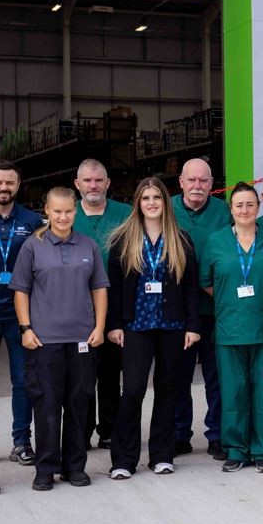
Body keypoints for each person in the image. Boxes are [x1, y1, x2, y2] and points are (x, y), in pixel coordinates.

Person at [10, 187, 109, 490]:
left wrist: (99, 327)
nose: (63, 217)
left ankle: (74, 466)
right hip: (44, 341)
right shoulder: (32, 246)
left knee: (79, 404)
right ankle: (46, 468)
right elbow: (21, 290)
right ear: (47, 211)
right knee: (47, 405)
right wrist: (26, 329)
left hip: (81, 338)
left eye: (68, 211)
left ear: (75, 212)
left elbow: (99, 288)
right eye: (57, 211)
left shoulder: (88, 246)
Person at [105, 178, 202, 479]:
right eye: (145, 197)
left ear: (165, 203)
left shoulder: (181, 239)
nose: (151, 203)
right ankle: (123, 459)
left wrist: (193, 325)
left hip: (172, 325)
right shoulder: (123, 239)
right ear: (138, 202)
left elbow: (190, 287)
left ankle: (162, 454)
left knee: (168, 390)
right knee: (132, 390)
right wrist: (113, 325)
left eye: (156, 198)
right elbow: (115, 287)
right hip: (135, 325)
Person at [201, 182, 263, 472]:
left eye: (250, 204)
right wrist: (231, 299)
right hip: (229, 329)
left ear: (258, 207)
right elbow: (207, 282)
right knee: (233, 391)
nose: (245, 210)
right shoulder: (216, 240)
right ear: (231, 210)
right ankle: (236, 449)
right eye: (239, 205)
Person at [0, 160, 44, 466]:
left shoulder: (33, 221)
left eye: (10, 182)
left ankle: (21, 442)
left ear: (18, 185)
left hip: (22, 316)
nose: (4, 187)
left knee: (23, 380)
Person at [171, 157, 231, 460]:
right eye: (191, 180)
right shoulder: (166, 208)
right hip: (176, 313)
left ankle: (218, 435)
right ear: (181, 181)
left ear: (212, 184)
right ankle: (180, 434)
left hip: (216, 309)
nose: (197, 186)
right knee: (178, 377)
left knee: (216, 376)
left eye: (204, 181)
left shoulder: (225, 212)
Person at [73, 159, 132, 449]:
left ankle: (109, 429)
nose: (93, 186)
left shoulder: (126, 214)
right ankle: (81, 431)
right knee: (82, 376)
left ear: (108, 183)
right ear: (78, 184)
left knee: (111, 373)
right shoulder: (66, 214)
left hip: (116, 308)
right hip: (77, 310)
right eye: (87, 181)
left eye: (99, 180)